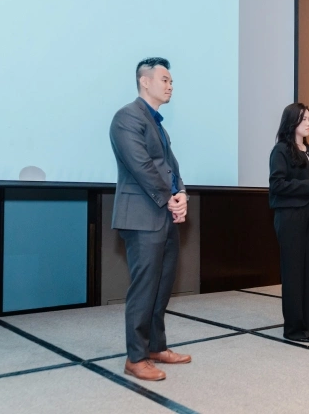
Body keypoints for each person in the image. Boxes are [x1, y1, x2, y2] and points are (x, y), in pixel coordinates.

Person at [109, 57, 191, 381]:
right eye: (164, 79)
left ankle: (156, 347)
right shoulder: (127, 117)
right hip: (142, 216)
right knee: (144, 288)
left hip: (163, 214)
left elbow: (171, 167)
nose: (170, 86)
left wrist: (181, 193)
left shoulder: (159, 125)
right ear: (145, 81)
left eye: (171, 81)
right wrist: (169, 198)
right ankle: (136, 357)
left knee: (162, 285)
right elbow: (141, 165)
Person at [269, 103, 309, 343]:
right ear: (291, 121)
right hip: (290, 217)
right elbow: (277, 185)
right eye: (303, 118)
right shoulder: (281, 150)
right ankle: (294, 329)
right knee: (294, 272)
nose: (308, 123)